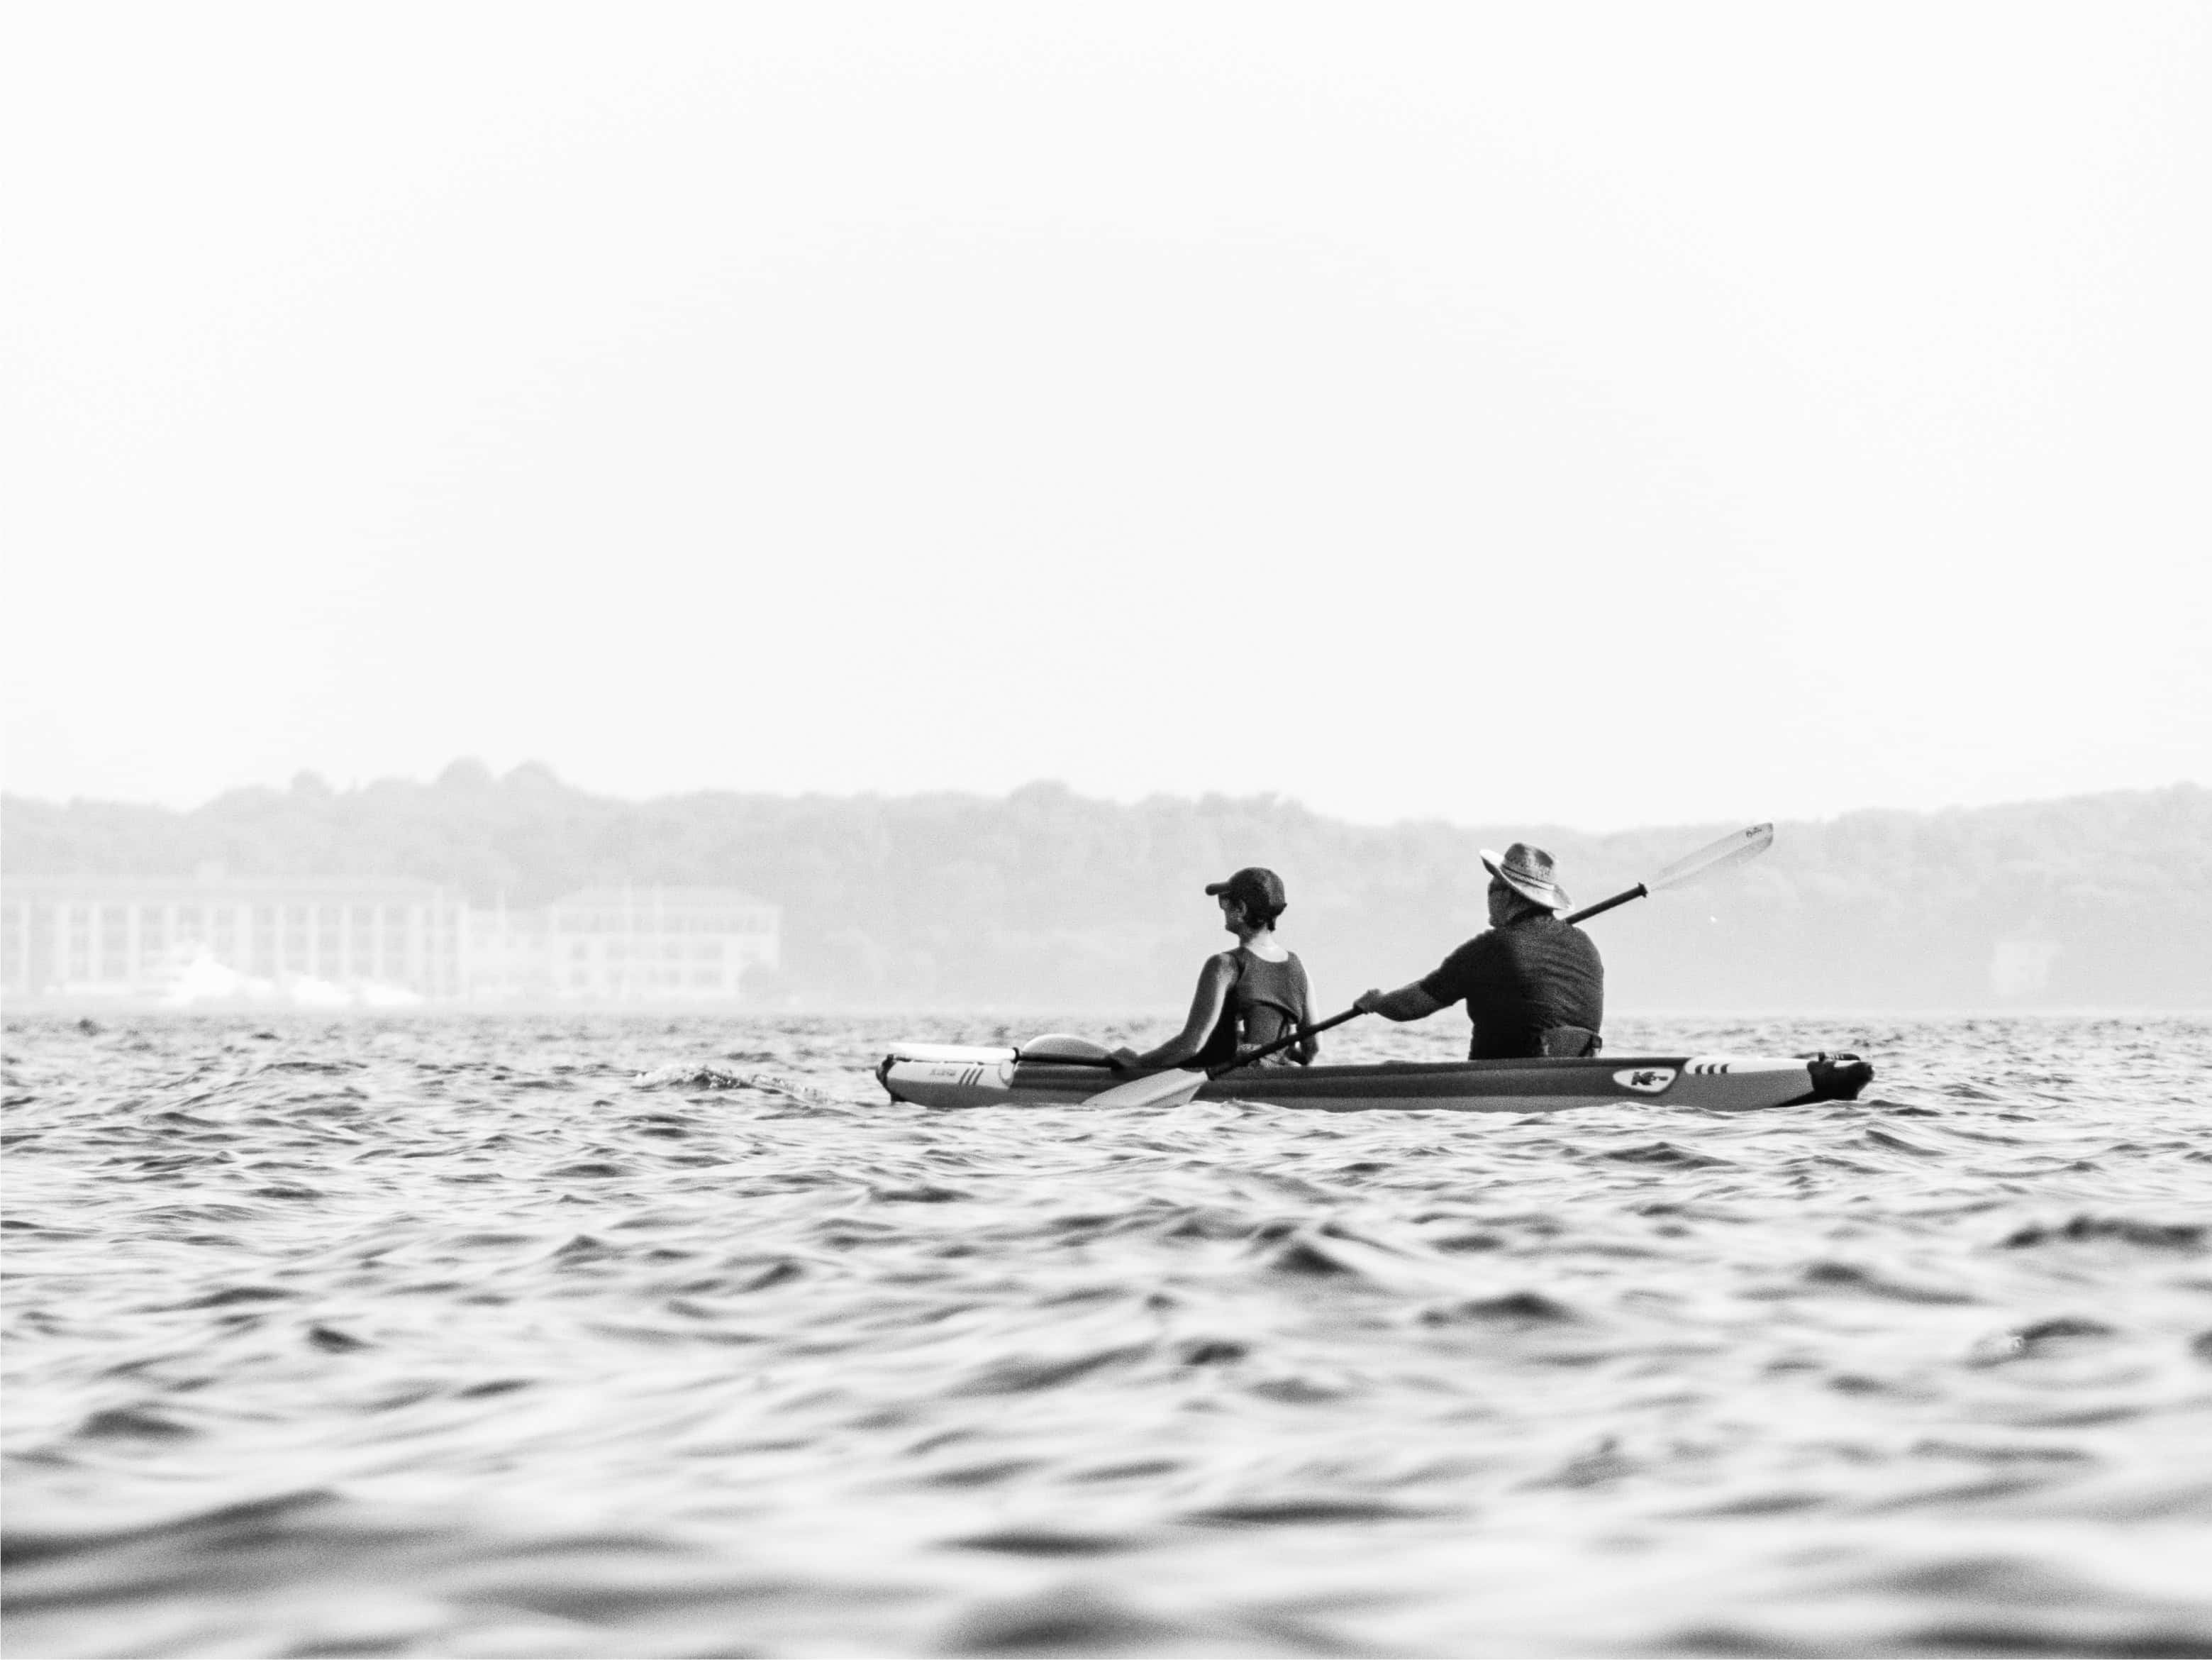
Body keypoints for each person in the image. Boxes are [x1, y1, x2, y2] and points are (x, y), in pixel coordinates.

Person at [1353, 843, 1604, 1058]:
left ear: (1507, 896)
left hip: (1501, 1085)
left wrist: (1379, 1002)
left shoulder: (1492, 949)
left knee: (1393, 1068)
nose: (1488, 899)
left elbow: (1410, 1007)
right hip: (1581, 1079)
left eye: (1491, 890)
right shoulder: (1587, 945)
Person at [1110, 867, 1318, 1072]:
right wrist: (1276, 1057)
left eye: (1225, 901)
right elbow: (1312, 1049)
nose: (1223, 908)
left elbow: (1190, 1045)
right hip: (1277, 1074)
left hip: (1228, 1078)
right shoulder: (1300, 970)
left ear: (1242, 909)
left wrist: (1138, 1062)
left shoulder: (1224, 965)